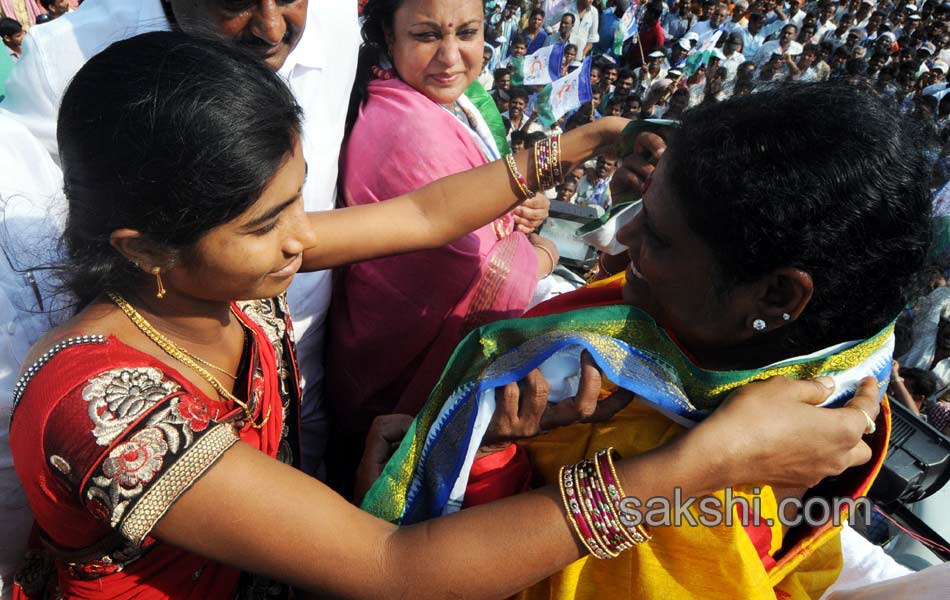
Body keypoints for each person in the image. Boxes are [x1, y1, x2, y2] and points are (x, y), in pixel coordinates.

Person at [6, 31, 875, 600]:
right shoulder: (104, 408)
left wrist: (584, 144)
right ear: (145, 247)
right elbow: (394, 570)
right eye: (265, 225)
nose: (298, 242)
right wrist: (695, 467)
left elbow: (424, 217)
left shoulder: (216, 275)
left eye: (295, 202)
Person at [365, 82, 931, 600]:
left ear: (778, 295)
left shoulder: (713, 518)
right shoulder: (737, 347)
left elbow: (461, 579)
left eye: (657, 235)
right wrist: (491, 453)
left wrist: (483, 467)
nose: (619, 234)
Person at [0, 0, 360, 480]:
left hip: (293, 366)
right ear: (148, 248)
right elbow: (386, 558)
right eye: (235, 2)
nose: (274, 29)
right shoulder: (120, 419)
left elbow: (422, 215)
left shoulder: (252, 295)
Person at [329, 0, 557, 492]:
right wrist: (542, 253)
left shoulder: (453, 103)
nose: (450, 57)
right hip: (395, 372)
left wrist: (522, 209)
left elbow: (489, 201)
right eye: (427, 36)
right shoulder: (407, 127)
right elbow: (471, 258)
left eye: (467, 33)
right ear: (389, 39)